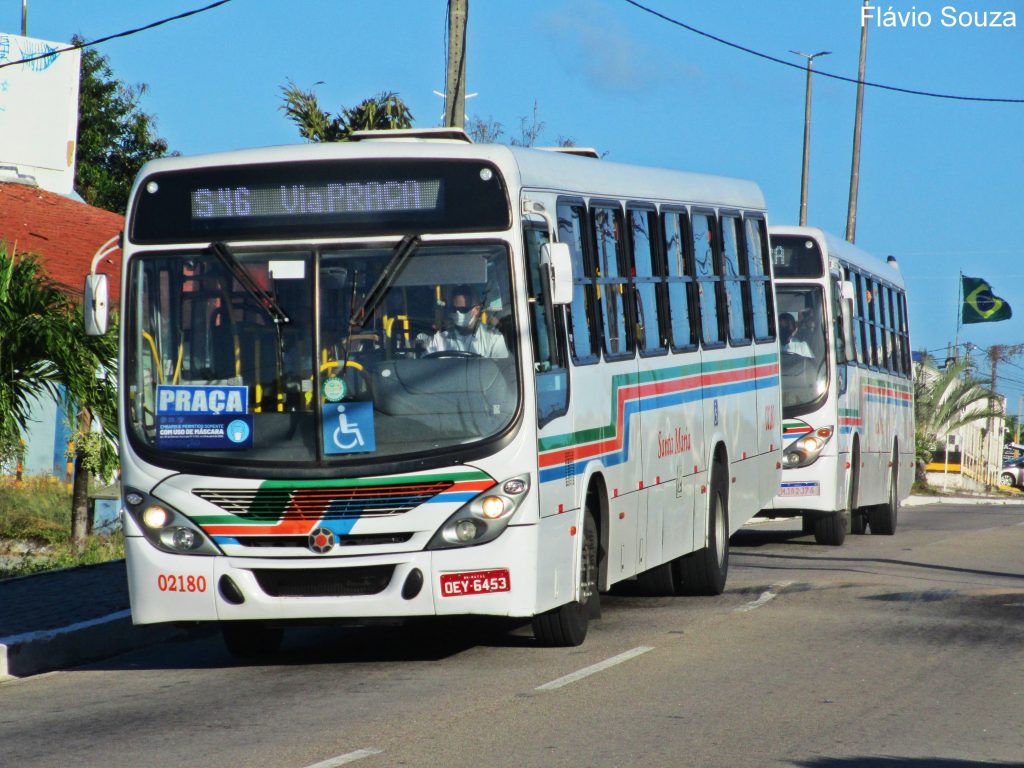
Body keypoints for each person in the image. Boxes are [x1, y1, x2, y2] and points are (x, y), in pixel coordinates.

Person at [424, 284, 509, 358]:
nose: (457, 313)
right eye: (454, 309)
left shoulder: (493, 339)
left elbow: (502, 369)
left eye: (462, 309)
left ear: (476, 310)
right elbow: (425, 364)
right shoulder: (439, 339)